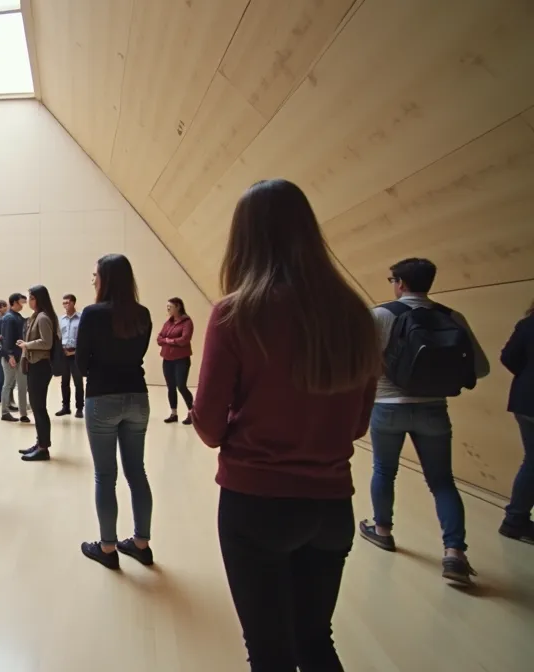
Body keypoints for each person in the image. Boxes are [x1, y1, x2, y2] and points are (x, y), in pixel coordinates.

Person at [191, 179, 379, 671]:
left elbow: (209, 425)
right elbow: (359, 424)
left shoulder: (236, 313)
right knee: (317, 642)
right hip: (332, 504)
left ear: (244, 239)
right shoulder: (356, 314)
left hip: (255, 502)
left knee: (270, 653)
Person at [358, 257, 489, 584]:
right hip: (433, 409)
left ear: (399, 283)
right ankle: (454, 553)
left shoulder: (381, 315)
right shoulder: (451, 317)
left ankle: (382, 529)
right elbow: (481, 368)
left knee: (384, 471)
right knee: (442, 481)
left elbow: (362, 365)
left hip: (387, 406)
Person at [74, 255, 153, 569]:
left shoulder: (92, 314)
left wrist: (98, 366)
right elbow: (139, 353)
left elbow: (81, 364)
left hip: (102, 398)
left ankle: (107, 548)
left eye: (95, 274)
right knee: (137, 472)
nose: (92, 279)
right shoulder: (143, 314)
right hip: (138, 396)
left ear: (105, 278)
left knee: (105, 475)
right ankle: (141, 544)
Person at [500, 300, 534, 543]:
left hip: (525, 399)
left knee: (531, 460)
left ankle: (516, 519)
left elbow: (509, 357)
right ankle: (515, 520)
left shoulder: (528, 324)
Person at [18, 285, 59, 461]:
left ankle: (43, 448)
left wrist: (27, 345)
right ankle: (40, 442)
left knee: (39, 407)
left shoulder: (42, 317)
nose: (29, 301)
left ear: (39, 299)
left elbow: (46, 343)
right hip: (35, 364)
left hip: (41, 366)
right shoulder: (36, 316)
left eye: (32, 298)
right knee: (36, 406)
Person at [157, 297, 195, 424]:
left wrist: (169, 341)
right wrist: (171, 341)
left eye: (170, 306)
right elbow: (159, 338)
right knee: (171, 386)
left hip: (181, 360)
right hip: (167, 359)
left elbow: (184, 339)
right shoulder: (168, 322)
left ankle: (192, 412)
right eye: (167, 306)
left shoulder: (187, 322)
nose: (168, 309)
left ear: (178, 306)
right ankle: (174, 413)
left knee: (181, 386)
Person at [0, 293, 29, 422]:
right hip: (10, 357)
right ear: (15, 302)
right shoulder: (9, 318)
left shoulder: (17, 317)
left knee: (22, 385)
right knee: (8, 384)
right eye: (21, 302)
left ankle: (23, 413)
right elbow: (6, 339)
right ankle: (4, 411)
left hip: (19, 356)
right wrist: (9, 355)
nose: (23, 305)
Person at [57, 293, 84, 418]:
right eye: (64, 303)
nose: (65, 305)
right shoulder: (61, 319)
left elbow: (84, 338)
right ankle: (65, 407)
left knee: (78, 381)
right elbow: (58, 336)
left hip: (76, 354)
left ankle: (79, 408)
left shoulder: (81, 318)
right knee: (64, 382)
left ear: (73, 303)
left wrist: (75, 352)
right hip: (64, 354)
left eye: (67, 302)